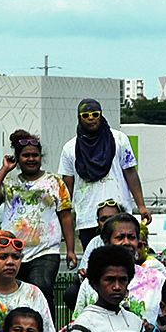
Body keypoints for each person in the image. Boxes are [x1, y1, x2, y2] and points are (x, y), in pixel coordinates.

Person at [0, 130, 78, 294]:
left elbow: (66, 217)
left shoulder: (55, 182)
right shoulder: (10, 182)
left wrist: (70, 250)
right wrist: (5, 168)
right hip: (14, 250)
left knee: (40, 290)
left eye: (35, 155)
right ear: (18, 159)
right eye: (26, 155)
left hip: (45, 251)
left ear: (41, 157)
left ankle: (46, 321)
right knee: (16, 294)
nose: (31, 159)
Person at [58, 97, 148, 242]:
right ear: (79, 118)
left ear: (101, 115)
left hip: (119, 217)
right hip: (88, 219)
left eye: (95, 114)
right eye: (85, 116)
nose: (91, 118)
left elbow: (130, 173)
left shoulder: (119, 139)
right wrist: (64, 218)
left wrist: (142, 206)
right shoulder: (69, 148)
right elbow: (67, 187)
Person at [72, 211, 166, 325]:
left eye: (131, 237)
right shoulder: (91, 283)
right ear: (107, 242)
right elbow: (77, 324)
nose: (126, 242)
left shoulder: (157, 279)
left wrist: (152, 330)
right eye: (120, 237)